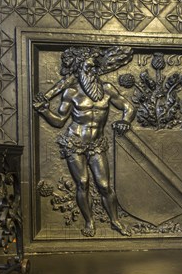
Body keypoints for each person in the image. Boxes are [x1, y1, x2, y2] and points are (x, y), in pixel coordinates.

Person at [33, 46, 134, 237]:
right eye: (88, 68)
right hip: (74, 142)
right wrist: (44, 110)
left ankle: (115, 221)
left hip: (97, 143)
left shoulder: (107, 90)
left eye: (95, 68)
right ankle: (89, 221)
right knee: (83, 183)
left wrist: (125, 120)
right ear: (79, 69)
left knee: (104, 185)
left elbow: (128, 106)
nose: (93, 71)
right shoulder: (71, 93)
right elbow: (60, 121)